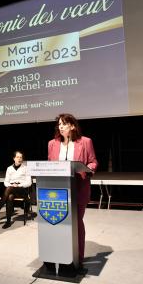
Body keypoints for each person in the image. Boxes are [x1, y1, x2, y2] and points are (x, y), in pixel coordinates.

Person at [48, 113, 98, 268]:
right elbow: (50, 164)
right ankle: (61, 253)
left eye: (64, 123)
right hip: (58, 189)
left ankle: (78, 257)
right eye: (59, 124)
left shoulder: (85, 142)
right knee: (60, 222)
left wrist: (88, 168)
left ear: (73, 126)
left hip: (79, 187)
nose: (60, 126)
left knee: (76, 221)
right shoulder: (52, 144)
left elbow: (93, 161)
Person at [0, 150, 32, 229]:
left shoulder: (26, 168)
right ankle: (8, 221)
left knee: (9, 189)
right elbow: (6, 182)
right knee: (10, 196)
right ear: (14, 158)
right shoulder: (9, 168)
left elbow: (29, 183)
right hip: (12, 189)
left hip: (22, 190)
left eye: (21, 157)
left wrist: (19, 185)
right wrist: (12, 185)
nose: (19, 159)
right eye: (17, 157)